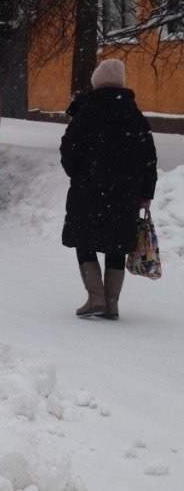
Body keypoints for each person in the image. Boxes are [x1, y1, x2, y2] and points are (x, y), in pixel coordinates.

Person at [59, 59, 157, 320]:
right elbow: (149, 158)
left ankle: (95, 298)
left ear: (96, 83)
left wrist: (76, 171)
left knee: (84, 239)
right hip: (125, 193)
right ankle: (111, 304)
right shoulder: (136, 117)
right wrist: (146, 193)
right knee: (117, 243)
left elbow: (69, 150)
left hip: (89, 189)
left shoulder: (86, 113)